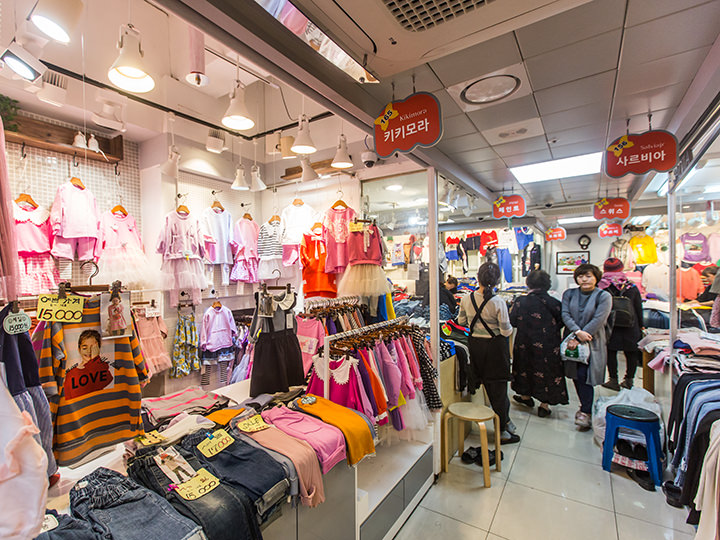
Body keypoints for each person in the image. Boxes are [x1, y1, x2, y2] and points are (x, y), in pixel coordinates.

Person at [457, 262, 519, 444]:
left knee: (482, 384)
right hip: (495, 349)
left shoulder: (466, 298)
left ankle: (505, 423)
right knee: (498, 391)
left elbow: (461, 322)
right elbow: (506, 331)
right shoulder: (498, 302)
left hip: (475, 347)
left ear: (478, 278)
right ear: (497, 280)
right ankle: (502, 431)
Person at [510, 270, 568, 417]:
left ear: (528, 283)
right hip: (548, 343)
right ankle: (544, 405)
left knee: (524, 367)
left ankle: (525, 397)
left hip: (524, 342)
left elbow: (512, 321)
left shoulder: (520, 302)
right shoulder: (554, 303)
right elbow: (562, 322)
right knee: (547, 370)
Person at [561, 263, 612, 430]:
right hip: (572, 340)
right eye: (581, 276)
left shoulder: (604, 296)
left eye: (588, 276)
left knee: (585, 375)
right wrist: (577, 332)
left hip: (593, 340)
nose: (584, 279)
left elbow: (600, 319)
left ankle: (585, 411)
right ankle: (585, 407)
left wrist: (582, 336)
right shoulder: (569, 294)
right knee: (575, 374)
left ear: (596, 278)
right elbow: (565, 314)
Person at [598, 258, 644, 390]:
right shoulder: (630, 285)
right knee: (631, 353)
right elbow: (638, 307)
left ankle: (613, 380)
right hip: (631, 324)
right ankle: (629, 380)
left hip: (610, 324)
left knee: (611, 352)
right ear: (621, 268)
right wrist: (641, 325)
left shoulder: (601, 286)